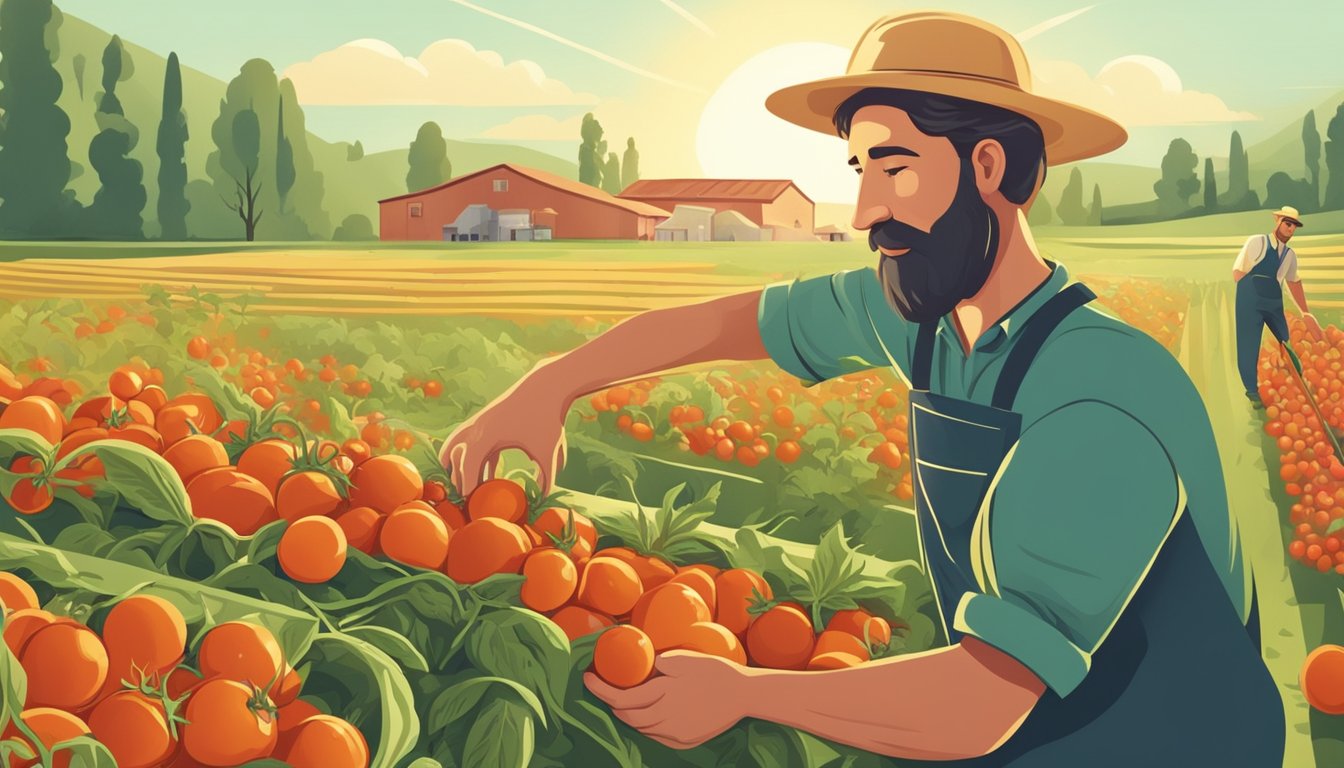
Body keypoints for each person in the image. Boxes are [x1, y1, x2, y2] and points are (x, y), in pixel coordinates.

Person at [441, 11, 1283, 766]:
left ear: (987, 165)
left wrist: (739, 689)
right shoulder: (919, 312)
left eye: (895, 167)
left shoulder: (1104, 393)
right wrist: (549, 386)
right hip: (1033, 720)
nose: (866, 207)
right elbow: (721, 325)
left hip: (1162, 739)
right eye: (857, 168)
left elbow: (981, 701)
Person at [1234, 205, 1323, 406]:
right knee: (1248, 345)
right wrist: (1249, 297)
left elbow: (1293, 281)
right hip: (1251, 299)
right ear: (1278, 222)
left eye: (1294, 226)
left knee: (1285, 339)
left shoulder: (1290, 255)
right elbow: (1238, 272)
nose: (1290, 229)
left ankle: (1298, 380)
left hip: (1273, 301)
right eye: (1287, 224)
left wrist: (1306, 313)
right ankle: (1252, 391)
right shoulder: (1257, 242)